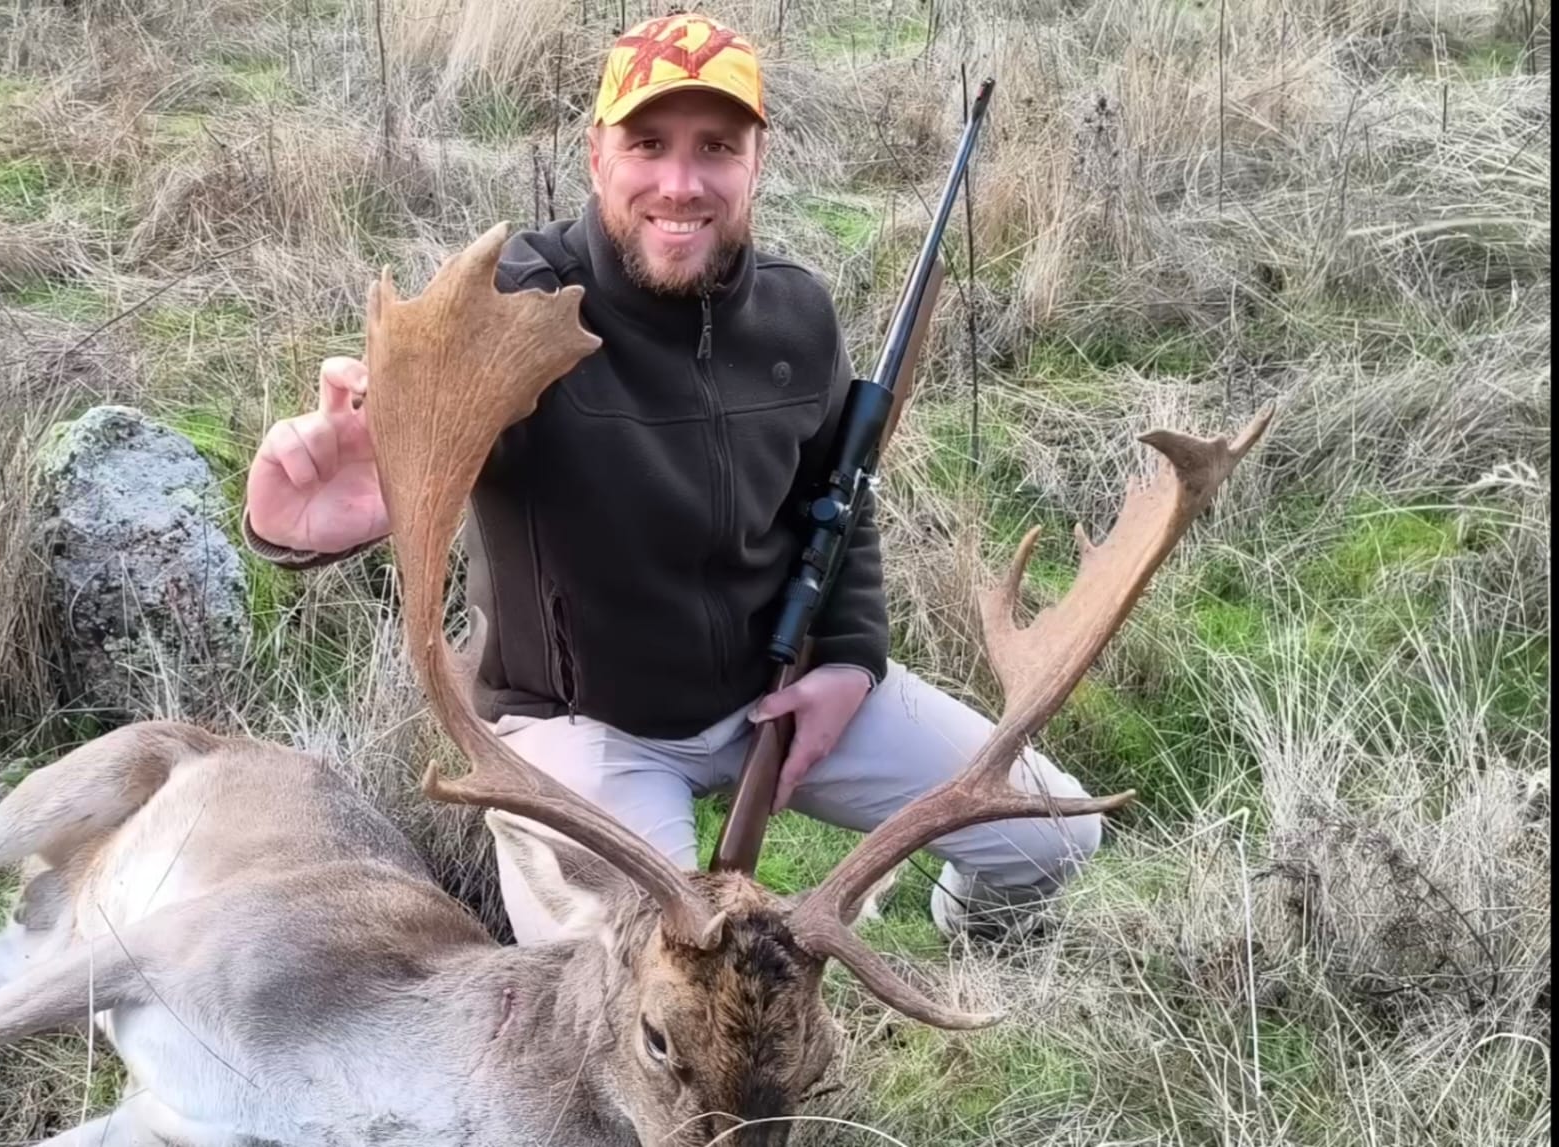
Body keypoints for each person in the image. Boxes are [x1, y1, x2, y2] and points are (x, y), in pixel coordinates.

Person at [239, 12, 1100, 944]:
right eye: (648, 144)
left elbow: (842, 499)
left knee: (1055, 836)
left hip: (778, 691)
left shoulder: (798, 315)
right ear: (596, 156)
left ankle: (972, 953)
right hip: (586, 730)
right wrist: (316, 516)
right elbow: (393, 452)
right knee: (634, 980)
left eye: (716, 147)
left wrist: (849, 660)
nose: (681, 184)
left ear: (757, 162)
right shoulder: (515, 310)